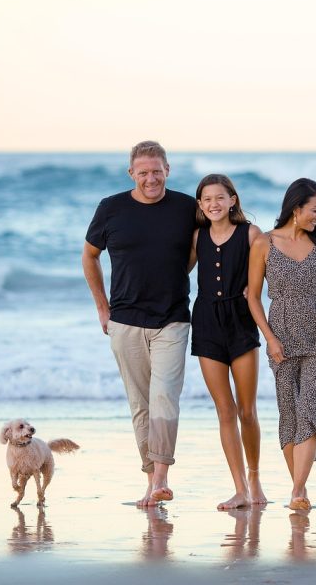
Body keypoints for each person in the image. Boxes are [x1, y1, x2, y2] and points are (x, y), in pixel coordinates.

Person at [82, 140, 196, 507]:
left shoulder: (185, 207)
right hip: (125, 321)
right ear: (131, 173)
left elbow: (201, 247)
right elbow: (90, 255)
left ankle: (161, 477)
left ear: (168, 170)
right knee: (140, 404)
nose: (151, 179)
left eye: (157, 171)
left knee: (165, 397)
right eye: (143, 172)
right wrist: (103, 307)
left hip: (173, 318)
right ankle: (151, 480)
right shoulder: (111, 208)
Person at [247, 177, 316, 511]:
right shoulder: (263, 243)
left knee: (312, 409)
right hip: (282, 337)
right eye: (314, 210)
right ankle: (299, 492)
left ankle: (298, 491)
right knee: (289, 415)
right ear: (296, 206)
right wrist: (269, 338)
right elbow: (253, 297)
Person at [190, 174, 266, 510]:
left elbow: (271, 269)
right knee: (225, 410)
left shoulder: (251, 234)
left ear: (233, 200)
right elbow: (175, 273)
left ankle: (254, 477)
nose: (214, 204)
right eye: (207, 199)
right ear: (200, 205)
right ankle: (239, 489)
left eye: (220, 198)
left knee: (247, 411)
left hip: (241, 322)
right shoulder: (197, 237)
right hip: (206, 322)